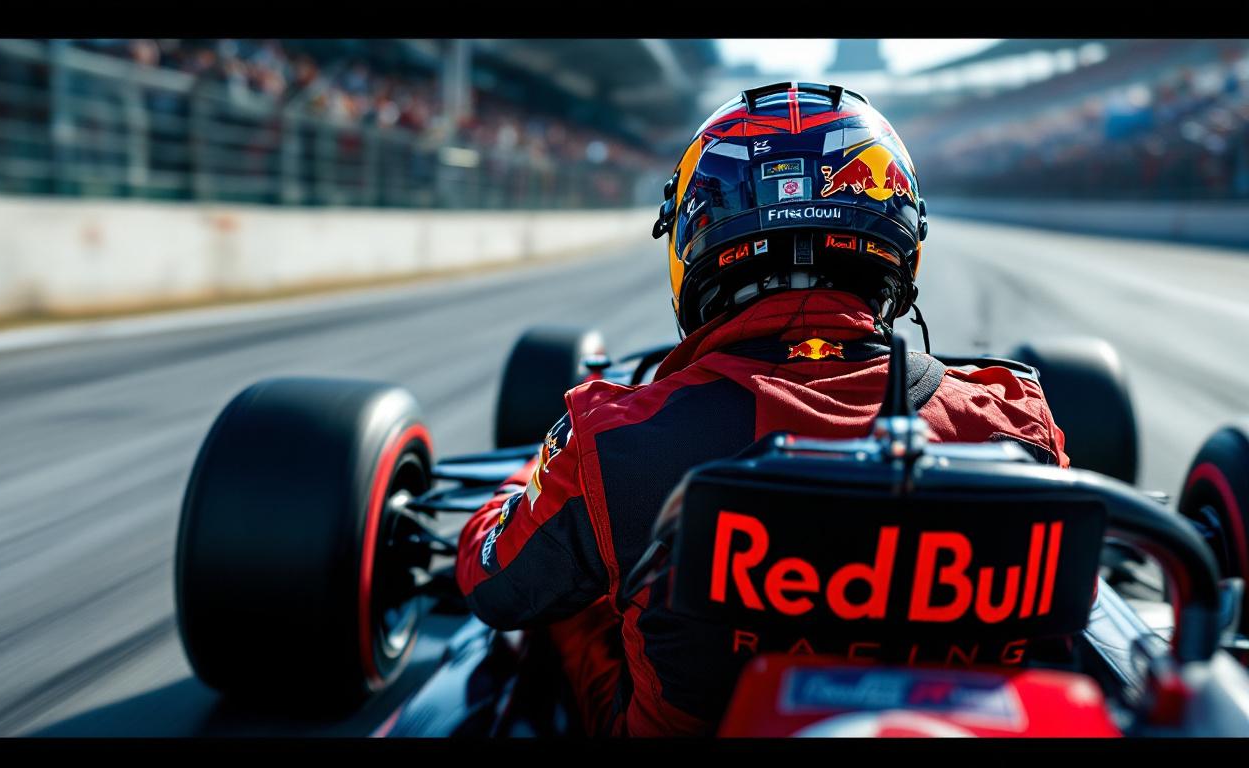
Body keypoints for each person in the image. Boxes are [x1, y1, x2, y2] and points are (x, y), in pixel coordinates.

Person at [455, 83, 1070, 736]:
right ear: (900, 227)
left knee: (570, 599)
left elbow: (494, 585)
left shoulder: (620, 439)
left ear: (695, 231)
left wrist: (535, 471)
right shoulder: (1015, 424)